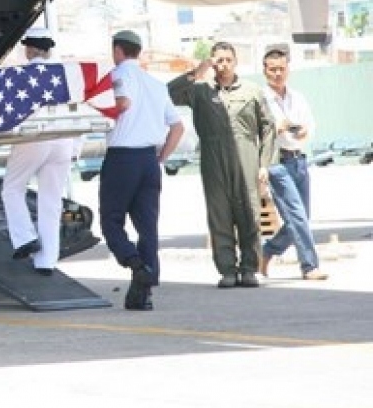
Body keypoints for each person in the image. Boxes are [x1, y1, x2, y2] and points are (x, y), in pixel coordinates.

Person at [169, 42, 275, 289]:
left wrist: (264, 164)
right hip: (213, 158)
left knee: (250, 213)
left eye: (228, 59)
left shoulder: (252, 91)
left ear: (235, 62)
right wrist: (195, 72)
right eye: (219, 60)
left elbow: (268, 127)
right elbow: (169, 94)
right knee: (219, 215)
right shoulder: (200, 91)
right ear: (212, 62)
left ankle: (249, 269)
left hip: (246, 155)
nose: (223, 64)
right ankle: (227, 269)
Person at [101, 31, 184, 311]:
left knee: (111, 220)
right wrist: (161, 156)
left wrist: (100, 110)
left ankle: (134, 262)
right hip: (149, 160)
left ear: (118, 50)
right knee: (147, 226)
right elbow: (178, 126)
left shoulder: (117, 75)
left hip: (122, 157)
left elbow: (122, 102)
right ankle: (144, 292)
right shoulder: (156, 84)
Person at [1, 27, 82, 276]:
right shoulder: (66, 74)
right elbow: (77, 109)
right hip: (64, 139)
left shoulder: (19, 75)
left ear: (30, 49)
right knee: (51, 201)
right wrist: (76, 147)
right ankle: (47, 261)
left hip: (34, 137)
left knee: (12, 188)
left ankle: (25, 238)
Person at [259, 46, 328, 281]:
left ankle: (267, 251)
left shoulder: (297, 96)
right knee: (297, 216)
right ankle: (309, 266)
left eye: (281, 68)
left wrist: (303, 132)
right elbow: (258, 133)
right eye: (272, 69)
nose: (277, 74)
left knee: (300, 218)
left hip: (298, 160)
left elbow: (310, 124)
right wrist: (278, 128)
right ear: (264, 70)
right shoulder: (260, 99)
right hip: (277, 162)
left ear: (288, 69)